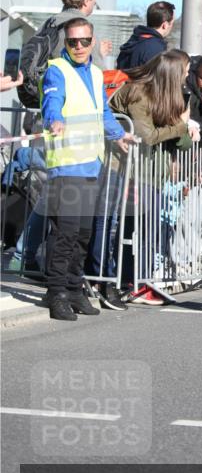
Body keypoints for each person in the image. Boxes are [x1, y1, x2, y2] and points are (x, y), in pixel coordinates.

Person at [40, 17, 133, 321]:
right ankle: (56, 294)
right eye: (72, 42)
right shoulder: (57, 69)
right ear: (65, 43)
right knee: (65, 234)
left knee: (83, 234)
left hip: (92, 163)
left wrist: (118, 135)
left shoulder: (95, 73)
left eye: (83, 41)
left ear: (92, 41)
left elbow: (102, 111)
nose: (78, 47)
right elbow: (52, 100)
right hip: (66, 165)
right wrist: (54, 118)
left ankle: (74, 287)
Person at [109, 49, 198, 304]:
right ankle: (132, 283)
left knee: (150, 230)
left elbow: (183, 144)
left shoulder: (170, 96)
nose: (187, 75)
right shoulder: (138, 93)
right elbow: (144, 136)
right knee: (135, 230)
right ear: (172, 73)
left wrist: (183, 119)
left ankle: (142, 281)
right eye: (185, 70)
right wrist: (179, 126)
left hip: (154, 175)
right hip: (132, 172)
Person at [116, 1, 175, 71]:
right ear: (164, 25)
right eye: (171, 23)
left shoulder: (132, 42)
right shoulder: (156, 48)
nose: (172, 27)